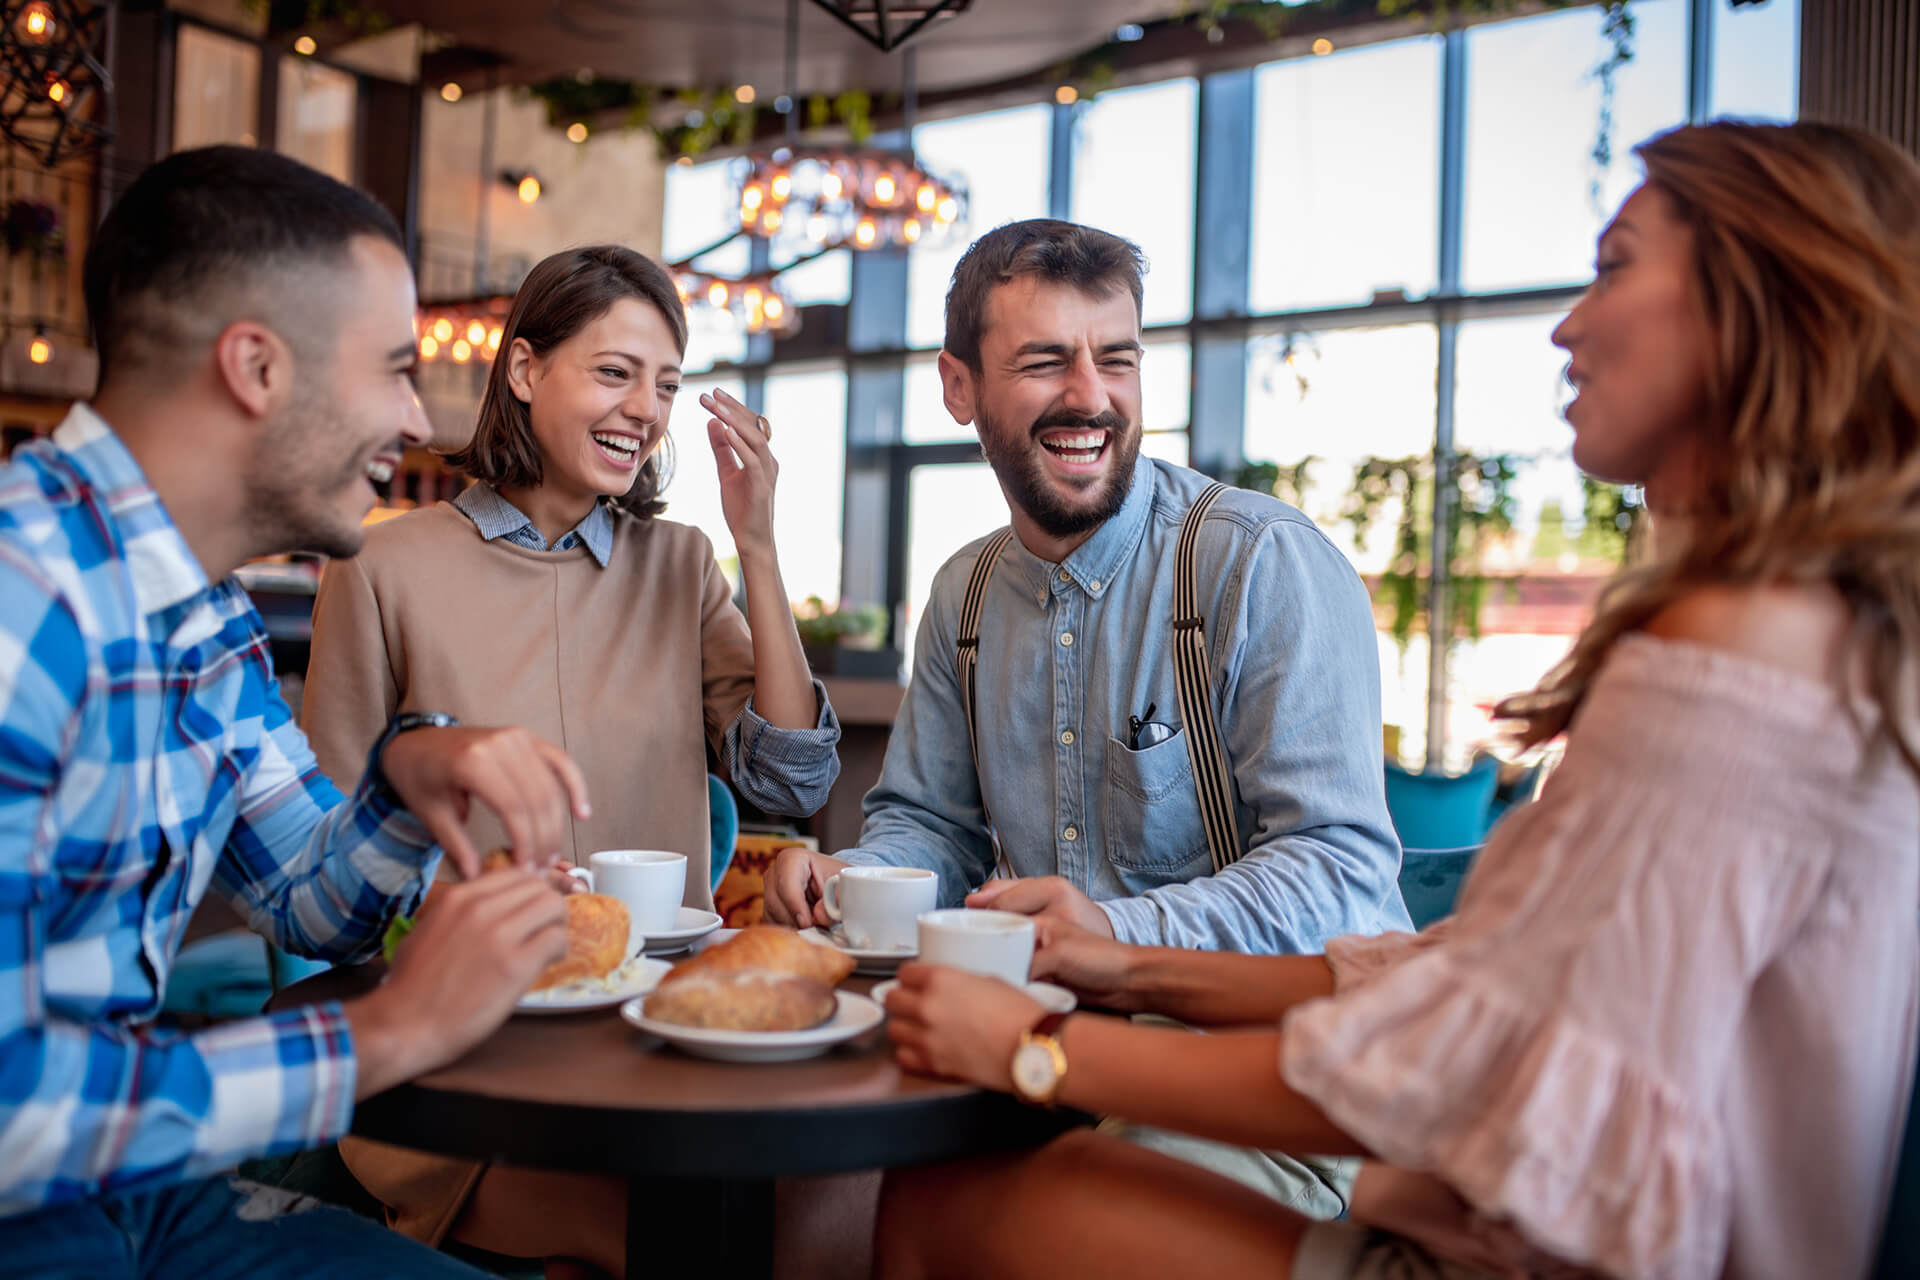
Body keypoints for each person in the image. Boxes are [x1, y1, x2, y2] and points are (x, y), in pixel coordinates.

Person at [871, 120, 1920, 1280]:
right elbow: (1467, 981)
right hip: (1442, 1186)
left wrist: (1042, 1048)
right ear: (962, 389)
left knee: (941, 1210)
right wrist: (1113, 966)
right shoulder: (1802, 636)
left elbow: (1460, 1063)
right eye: (1044, 360)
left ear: (1764, 306)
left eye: (1616, 266)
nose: (1568, 324)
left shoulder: (1736, 666)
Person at [0, 146, 592, 1278]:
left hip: (138, 1192)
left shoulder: (200, 611)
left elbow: (317, 902)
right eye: (392, 369)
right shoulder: (24, 605)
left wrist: (412, 777)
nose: (417, 420)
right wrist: (388, 1031)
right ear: (257, 366)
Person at [767, 218, 1409, 1214]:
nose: (1090, 395)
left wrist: (1112, 931)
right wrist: (857, 875)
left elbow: (1339, 874)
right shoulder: (964, 594)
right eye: (1044, 361)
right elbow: (927, 821)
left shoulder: (1259, 563)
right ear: (958, 387)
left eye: (1117, 358)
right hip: (1043, 1054)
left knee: (1002, 1212)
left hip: (1275, 1090)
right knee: (809, 1197)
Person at [298, 244, 841, 1275]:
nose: (646, 407)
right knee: (676, 1233)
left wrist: (756, 545)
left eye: (668, 384)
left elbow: (792, 782)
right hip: (462, 1053)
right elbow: (326, 859)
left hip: (662, 1038)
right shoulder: (383, 566)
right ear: (525, 369)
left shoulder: (681, 565)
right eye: (614, 371)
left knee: (816, 1215)